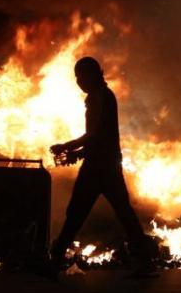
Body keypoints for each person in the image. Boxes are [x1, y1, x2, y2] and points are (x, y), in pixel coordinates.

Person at [48, 56, 158, 277]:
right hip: (105, 164)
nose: (79, 82)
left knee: (78, 213)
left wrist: (69, 147)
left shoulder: (101, 97)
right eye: (77, 78)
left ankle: (54, 260)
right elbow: (98, 138)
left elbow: (95, 135)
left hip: (100, 167)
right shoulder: (100, 96)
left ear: (92, 75)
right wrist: (78, 153)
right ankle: (144, 260)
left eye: (81, 76)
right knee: (121, 212)